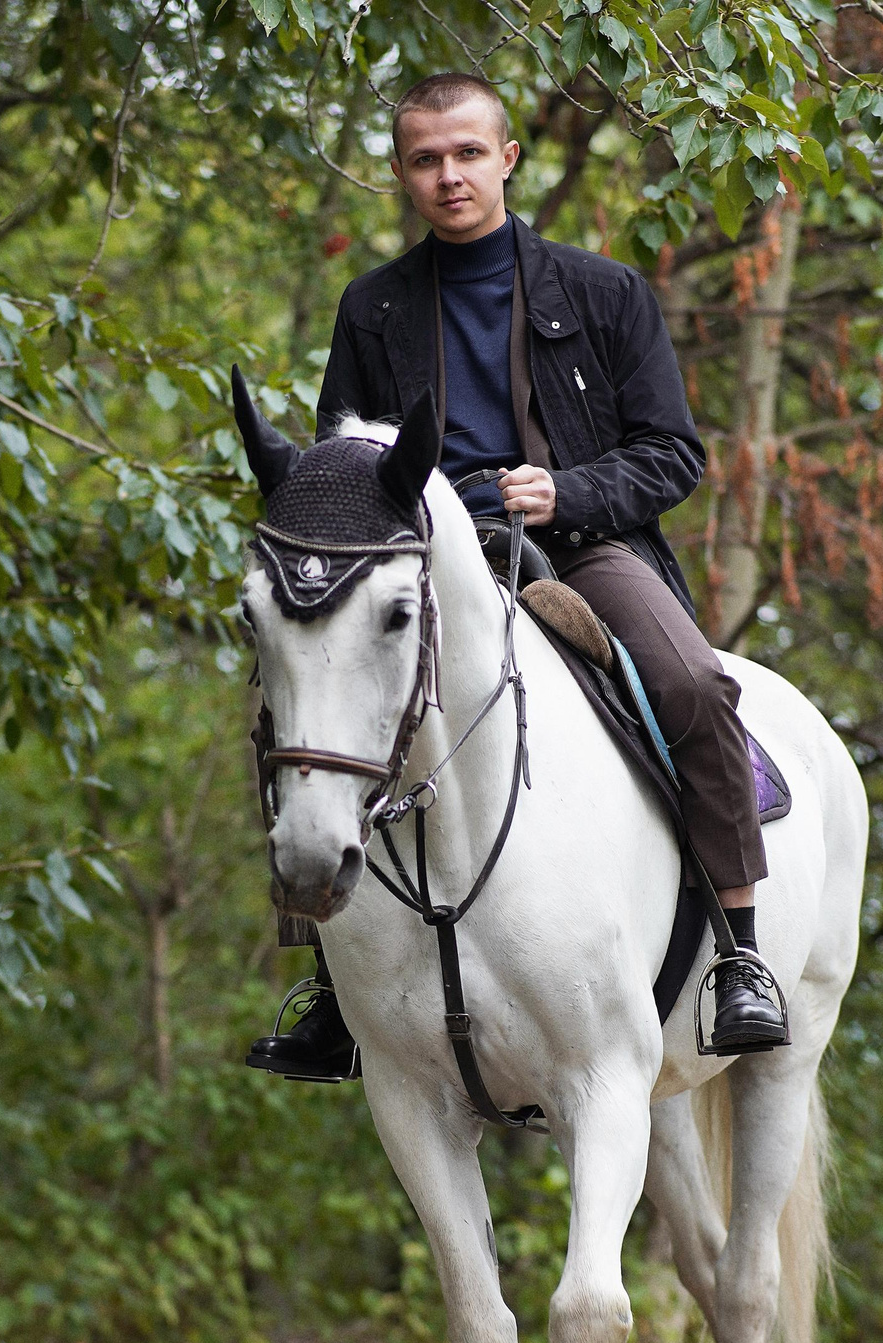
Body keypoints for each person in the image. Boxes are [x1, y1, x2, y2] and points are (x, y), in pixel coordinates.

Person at [246, 71, 786, 1080]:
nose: (447, 177)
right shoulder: (371, 309)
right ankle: (329, 987)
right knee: (296, 706)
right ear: (402, 175)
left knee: (695, 685)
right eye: (423, 160)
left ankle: (740, 956)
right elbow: (341, 466)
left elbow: (673, 453)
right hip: (419, 562)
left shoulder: (606, 292)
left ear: (506, 159)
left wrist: (567, 492)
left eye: (464, 154)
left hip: (576, 548)